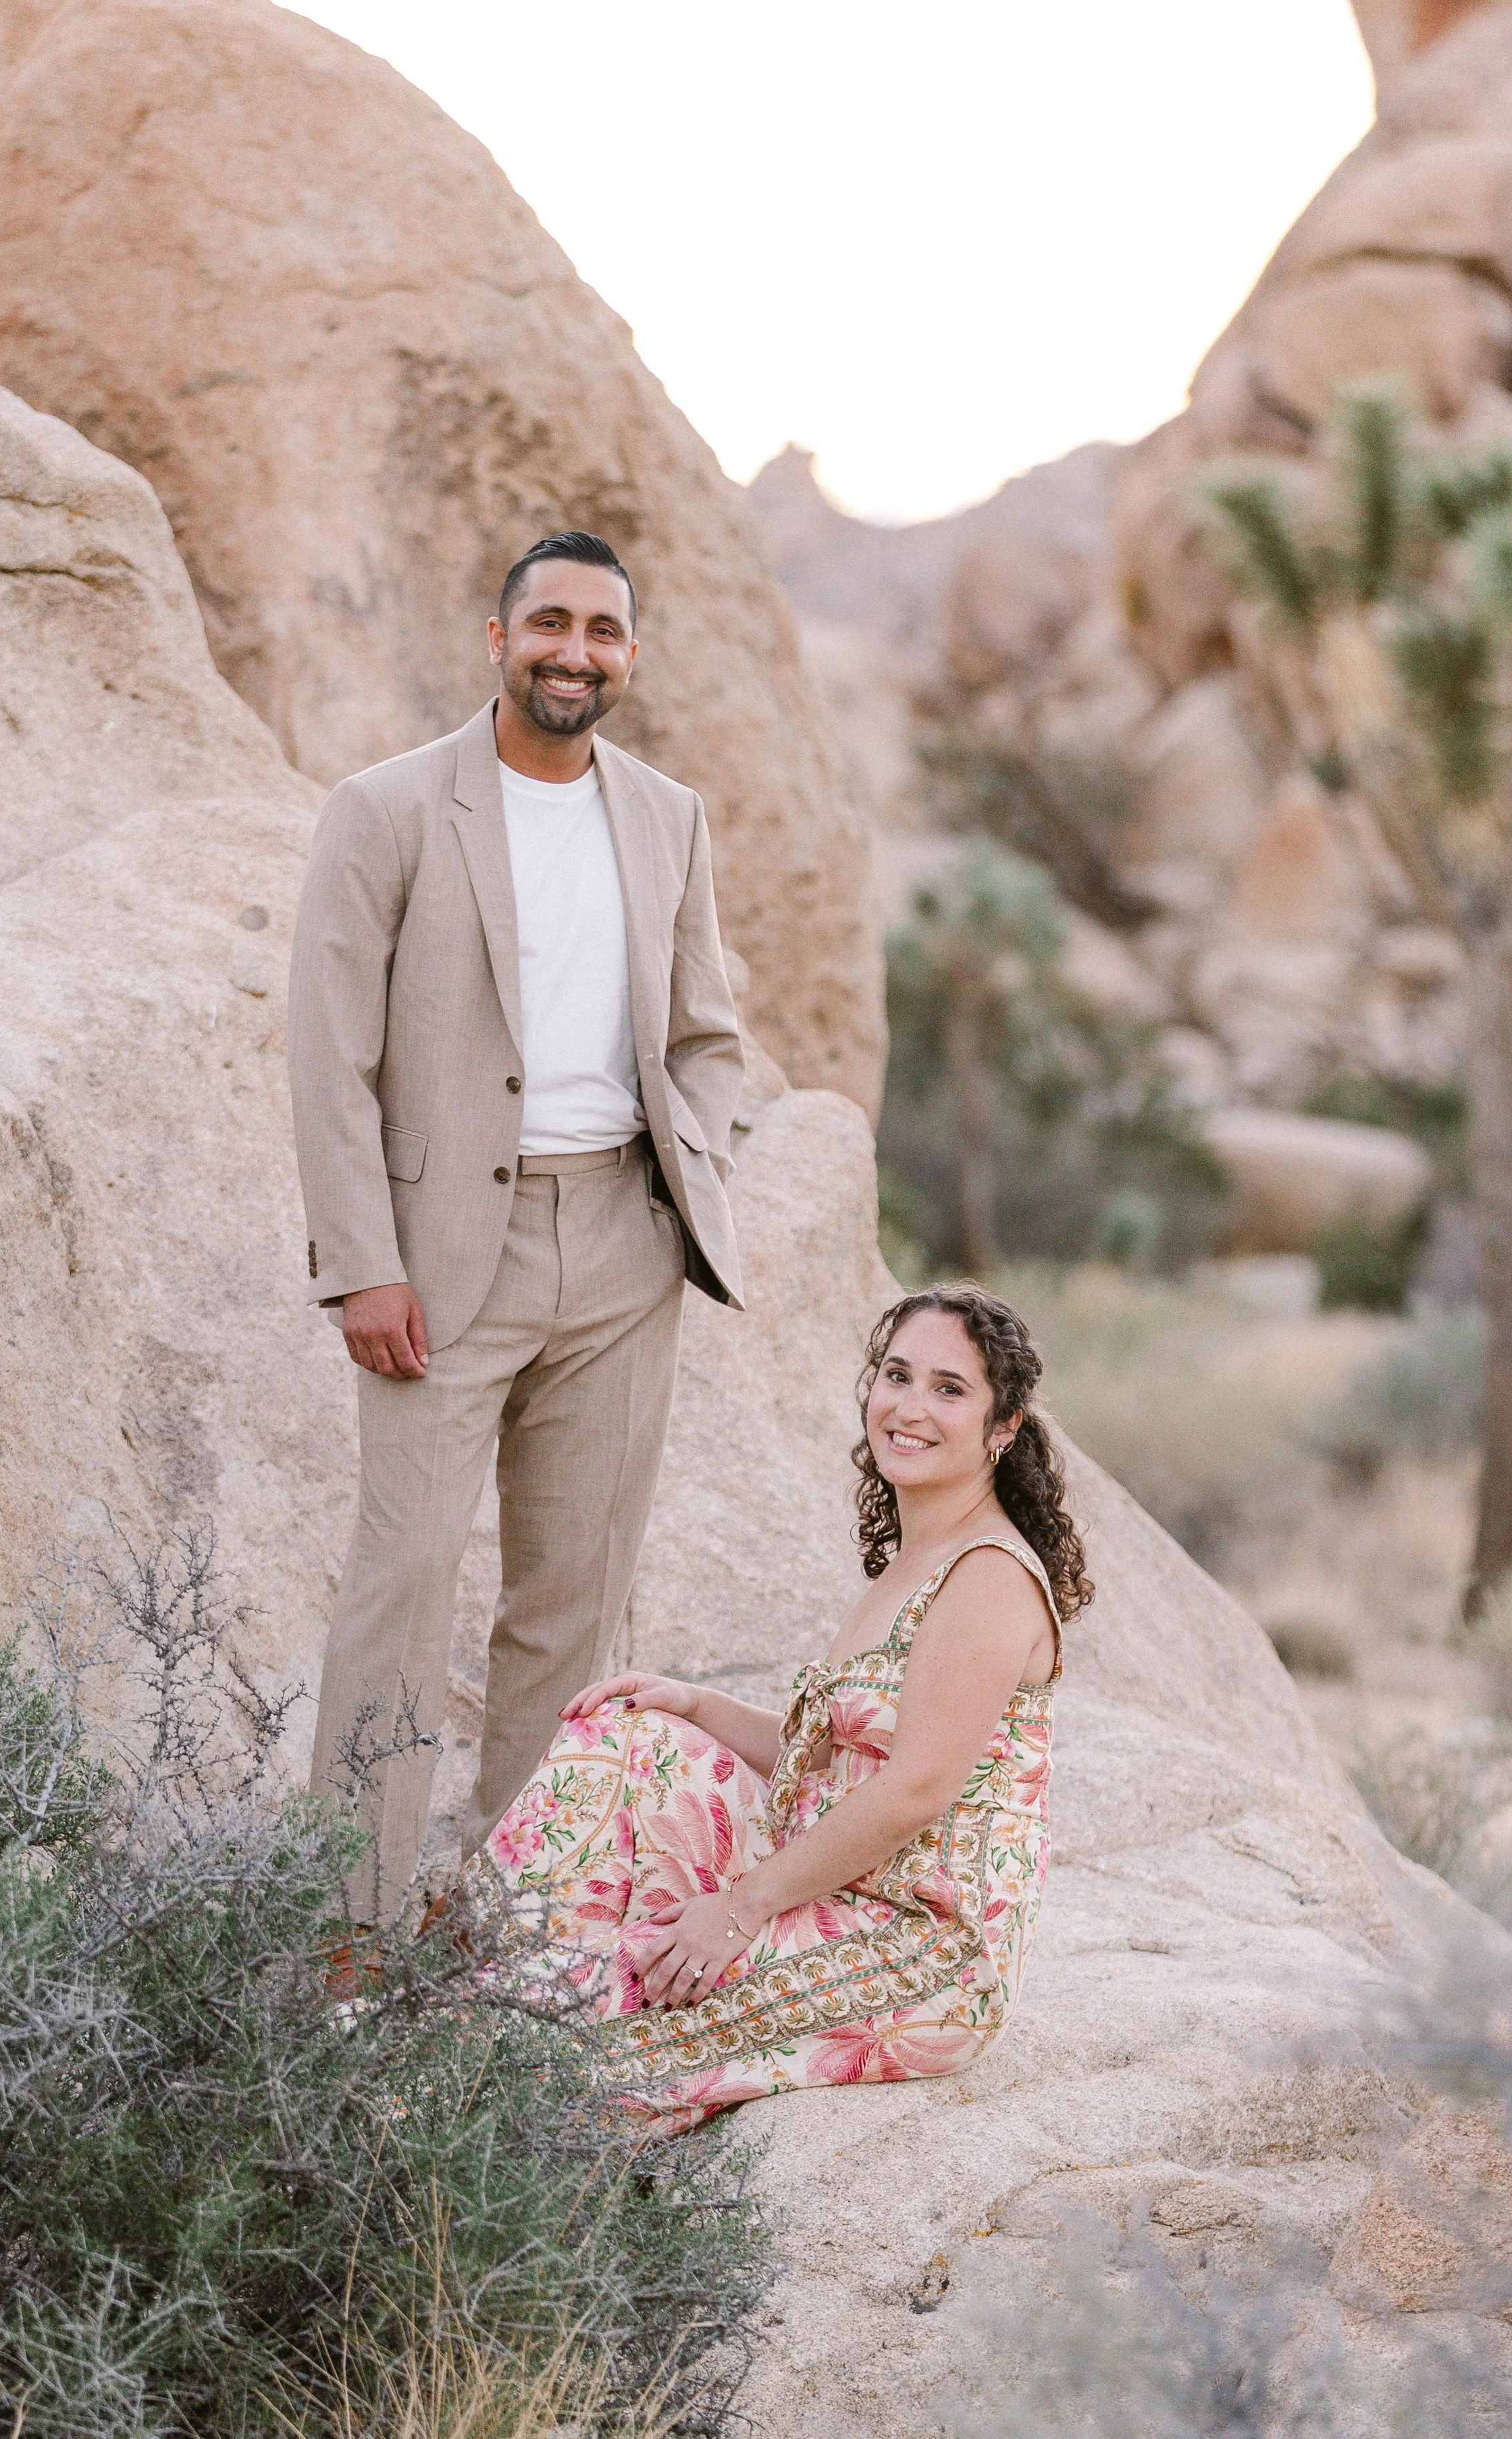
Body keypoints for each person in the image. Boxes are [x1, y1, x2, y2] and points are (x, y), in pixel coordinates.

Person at [288, 531, 745, 1925]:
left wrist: (690, 1178)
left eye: (603, 632)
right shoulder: (388, 808)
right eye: (549, 623)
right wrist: (363, 1258)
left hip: (619, 1242)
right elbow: (327, 1052)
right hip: (436, 1258)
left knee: (574, 1597)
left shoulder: (667, 814)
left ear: (627, 655)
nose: (574, 651)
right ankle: (345, 1934)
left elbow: (707, 1033)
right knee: (403, 1579)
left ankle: (514, 1925)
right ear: (498, 639)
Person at [473, 1281, 1093, 2136]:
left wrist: (740, 1907)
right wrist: (692, 1703)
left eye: (949, 1389)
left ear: (1003, 1427)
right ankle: (488, 1972)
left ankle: (505, 2037)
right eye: (897, 1374)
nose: (910, 1407)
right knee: (621, 1735)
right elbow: (825, 1762)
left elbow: (915, 1788)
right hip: (827, 1874)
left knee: (597, 2009)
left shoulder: (988, 1573)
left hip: (921, 1945)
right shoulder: (917, 1559)